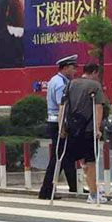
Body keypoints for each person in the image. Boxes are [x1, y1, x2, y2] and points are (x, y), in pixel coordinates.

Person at [63, 63, 107, 205]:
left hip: (73, 129)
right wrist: (97, 128)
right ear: (94, 72)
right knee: (91, 161)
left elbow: (63, 106)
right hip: (88, 129)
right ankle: (93, 194)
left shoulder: (70, 84)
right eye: (97, 74)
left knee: (82, 161)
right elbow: (98, 107)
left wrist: (61, 127)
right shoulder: (95, 86)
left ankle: (93, 189)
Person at [38, 55, 78, 200]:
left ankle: (75, 187)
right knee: (58, 157)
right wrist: (63, 127)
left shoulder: (55, 80)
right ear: (65, 68)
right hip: (59, 123)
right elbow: (63, 106)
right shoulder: (61, 84)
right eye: (73, 68)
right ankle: (46, 191)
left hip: (55, 121)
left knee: (67, 156)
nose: (75, 71)